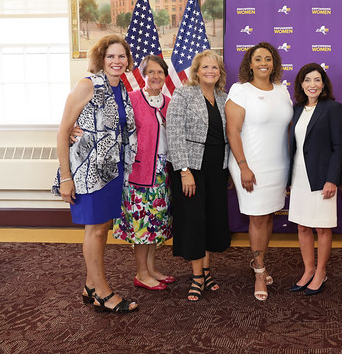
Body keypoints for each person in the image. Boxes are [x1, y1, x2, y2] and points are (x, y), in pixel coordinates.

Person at [52, 34, 138, 313]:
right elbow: (64, 130)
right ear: (101, 59)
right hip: (88, 172)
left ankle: (90, 286)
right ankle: (102, 291)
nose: (117, 61)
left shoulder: (122, 88)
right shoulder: (87, 85)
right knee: (97, 230)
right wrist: (66, 177)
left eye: (121, 56)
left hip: (112, 171)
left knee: (103, 228)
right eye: (111, 56)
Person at [225, 42, 293, 301]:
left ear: (274, 63)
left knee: (267, 217)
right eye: (258, 59)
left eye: (268, 58)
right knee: (256, 217)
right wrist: (243, 166)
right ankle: (259, 271)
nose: (263, 62)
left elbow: (287, 130)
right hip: (250, 164)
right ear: (250, 64)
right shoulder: (240, 91)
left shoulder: (282, 91)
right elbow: (232, 131)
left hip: (278, 165)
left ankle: (259, 263)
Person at [167, 50, 231, 302]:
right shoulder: (183, 93)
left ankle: (206, 271)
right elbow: (173, 132)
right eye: (205, 67)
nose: (210, 71)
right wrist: (184, 170)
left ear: (220, 73)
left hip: (218, 168)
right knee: (194, 220)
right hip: (191, 169)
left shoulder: (224, 98)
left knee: (212, 220)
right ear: (196, 71)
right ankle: (196, 277)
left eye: (215, 68)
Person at [111, 55, 174, 291]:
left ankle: (151, 268)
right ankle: (141, 273)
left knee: (154, 224)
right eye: (151, 72)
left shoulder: (169, 102)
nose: (156, 77)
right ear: (143, 75)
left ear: (165, 76)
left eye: (160, 72)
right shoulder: (133, 100)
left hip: (161, 172)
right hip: (138, 174)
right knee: (141, 225)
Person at [287, 63, 342, 296]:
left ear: (323, 84)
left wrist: (332, 179)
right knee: (302, 226)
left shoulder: (332, 108)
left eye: (317, 80)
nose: (312, 84)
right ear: (301, 84)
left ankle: (321, 272)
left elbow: (338, 146)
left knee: (322, 228)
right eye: (307, 80)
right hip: (299, 176)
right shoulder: (297, 109)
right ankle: (308, 270)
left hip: (322, 178)